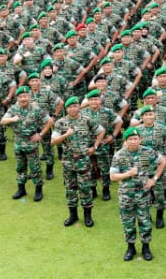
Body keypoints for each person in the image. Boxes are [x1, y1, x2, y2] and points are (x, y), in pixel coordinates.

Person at [50, 96, 105, 223]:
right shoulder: (60, 123)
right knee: (70, 189)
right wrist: (66, 134)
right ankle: (73, 215)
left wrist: (95, 147)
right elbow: (53, 141)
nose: (73, 109)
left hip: (84, 161)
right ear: (66, 108)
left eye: (75, 106)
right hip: (68, 162)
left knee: (85, 188)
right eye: (70, 107)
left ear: (79, 107)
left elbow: (101, 131)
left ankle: (87, 216)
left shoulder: (87, 120)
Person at [110, 127, 159, 261]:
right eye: (130, 139)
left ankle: (146, 247)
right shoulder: (119, 155)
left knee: (145, 221)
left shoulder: (148, 152)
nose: (133, 141)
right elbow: (113, 177)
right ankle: (130, 247)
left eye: (135, 139)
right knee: (128, 222)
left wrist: (153, 179)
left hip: (143, 195)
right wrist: (128, 174)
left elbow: (162, 162)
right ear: (126, 141)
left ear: (140, 139)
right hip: (126, 195)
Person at [0, 85, 53, 202]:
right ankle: (21, 189)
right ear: (17, 98)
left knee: (35, 168)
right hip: (18, 144)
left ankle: (38, 190)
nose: (23, 99)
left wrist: (41, 134)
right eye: (20, 97)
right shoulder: (13, 109)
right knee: (20, 167)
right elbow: (3, 121)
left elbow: (49, 121)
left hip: (31, 144)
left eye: (25, 96)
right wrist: (12, 119)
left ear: (29, 97)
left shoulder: (36, 109)